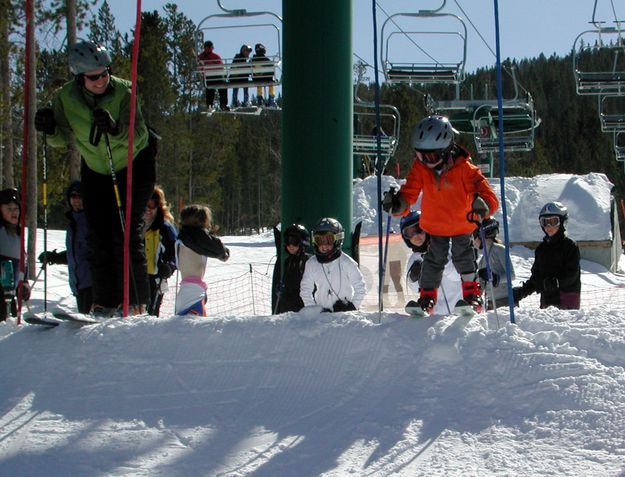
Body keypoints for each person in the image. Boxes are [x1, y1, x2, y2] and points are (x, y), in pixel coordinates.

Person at [34, 40, 156, 316]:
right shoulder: (65, 97)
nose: (101, 80)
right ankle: (104, 302)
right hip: (96, 168)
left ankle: (136, 302)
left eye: (104, 73)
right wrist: (50, 128)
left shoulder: (125, 91)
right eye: (93, 77)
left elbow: (140, 136)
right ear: (80, 77)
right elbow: (61, 139)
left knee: (124, 231)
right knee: (98, 234)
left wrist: (115, 129)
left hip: (134, 165)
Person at [383, 115, 499, 314]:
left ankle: (472, 294)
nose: (427, 162)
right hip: (435, 225)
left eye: (432, 157)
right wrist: (397, 204)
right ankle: (427, 297)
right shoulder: (421, 169)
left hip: (461, 223)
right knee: (433, 260)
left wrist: (483, 206)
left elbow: (488, 195)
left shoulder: (465, 169)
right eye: (421, 156)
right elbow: (410, 192)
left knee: (463, 256)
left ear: (446, 150)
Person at [513, 202, 581, 309]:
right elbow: (536, 277)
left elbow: (572, 274)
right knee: (547, 324)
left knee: (564, 324)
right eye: (545, 222)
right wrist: (522, 291)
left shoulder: (570, 246)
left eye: (553, 222)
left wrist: (556, 282)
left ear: (562, 222)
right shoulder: (541, 249)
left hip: (567, 298)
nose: (548, 226)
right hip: (548, 298)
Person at [38, 181, 93, 313]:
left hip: (92, 283)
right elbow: (74, 254)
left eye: (80, 197)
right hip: (78, 283)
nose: (76, 201)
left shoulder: (91, 221)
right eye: (73, 197)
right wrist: (54, 257)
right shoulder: (72, 223)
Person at [400, 211, 462, 315]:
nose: (416, 236)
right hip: (436, 315)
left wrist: (443, 263)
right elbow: (415, 289)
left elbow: (458, 276)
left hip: (458, 308)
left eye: (419, 230)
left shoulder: (446, 247)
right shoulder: (414, 259)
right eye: (410, 233)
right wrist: (414, 278)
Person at [300, 217, 366, 312]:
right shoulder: (312, 263)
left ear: (338, 239)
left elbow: (360, 287)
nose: (324, 245)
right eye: (319, 240)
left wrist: (352, 307)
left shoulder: (346, 262)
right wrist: (314, 310)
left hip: (344, 315)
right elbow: (305, 290)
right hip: (321, 317)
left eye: (329, 240)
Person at [175, 204, 230, 316]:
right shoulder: (195, 235)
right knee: (196, 332)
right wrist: (224, 251)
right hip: (193, 294)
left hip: (187, 291)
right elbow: (219, 251)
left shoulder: (184, 236)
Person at [143, 186, 177, 316]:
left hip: (155, 278)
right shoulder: (134, 225)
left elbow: (175, 252)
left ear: (158, 205)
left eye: (151, 204)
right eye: (144, 204)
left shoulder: (165, 227)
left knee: (150, 314)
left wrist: (169, 266)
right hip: (136, 277)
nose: (147, 209)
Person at [0, 188, 30, 321]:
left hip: (10, 296)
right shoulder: (1, 230)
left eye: (16, 208)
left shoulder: (19, 235)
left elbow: (23, 264)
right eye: (9, 208)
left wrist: (24, 283)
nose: (14, 212)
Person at [473, 217, 515, 310]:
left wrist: (496, 278)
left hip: (505, 300)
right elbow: (482, 287)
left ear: (482, 234)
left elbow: (512, 275)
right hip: (491, 303)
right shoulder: (482, 261)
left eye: (475, 236)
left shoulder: (499, 249)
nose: (473, 241)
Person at [272, 224, 311, 314]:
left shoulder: (307, 261)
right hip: (287, 309)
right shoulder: (288, 261)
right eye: (288, 242)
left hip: (301, 309)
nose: (290, 245)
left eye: (294, 241)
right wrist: (282, 288)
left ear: (302, 242)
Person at [198, 41, 229, 112]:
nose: (211, 49)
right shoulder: (201, 57)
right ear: (207, 48)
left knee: (223, 87)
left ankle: (223, 105)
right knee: (209, 89)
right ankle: (209, 105)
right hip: (209, 77)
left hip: (217, 76)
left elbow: (221, 67)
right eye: (210, 48)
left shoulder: (215, 56)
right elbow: (199, 67)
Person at [251, 43, 276, 107]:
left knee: (259, 84)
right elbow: (272, 68)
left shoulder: (253, 60)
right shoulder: (265, 59)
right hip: (266, 78)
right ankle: (271, 99)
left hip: (256, 78)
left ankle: (260, 99)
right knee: (271, 83)